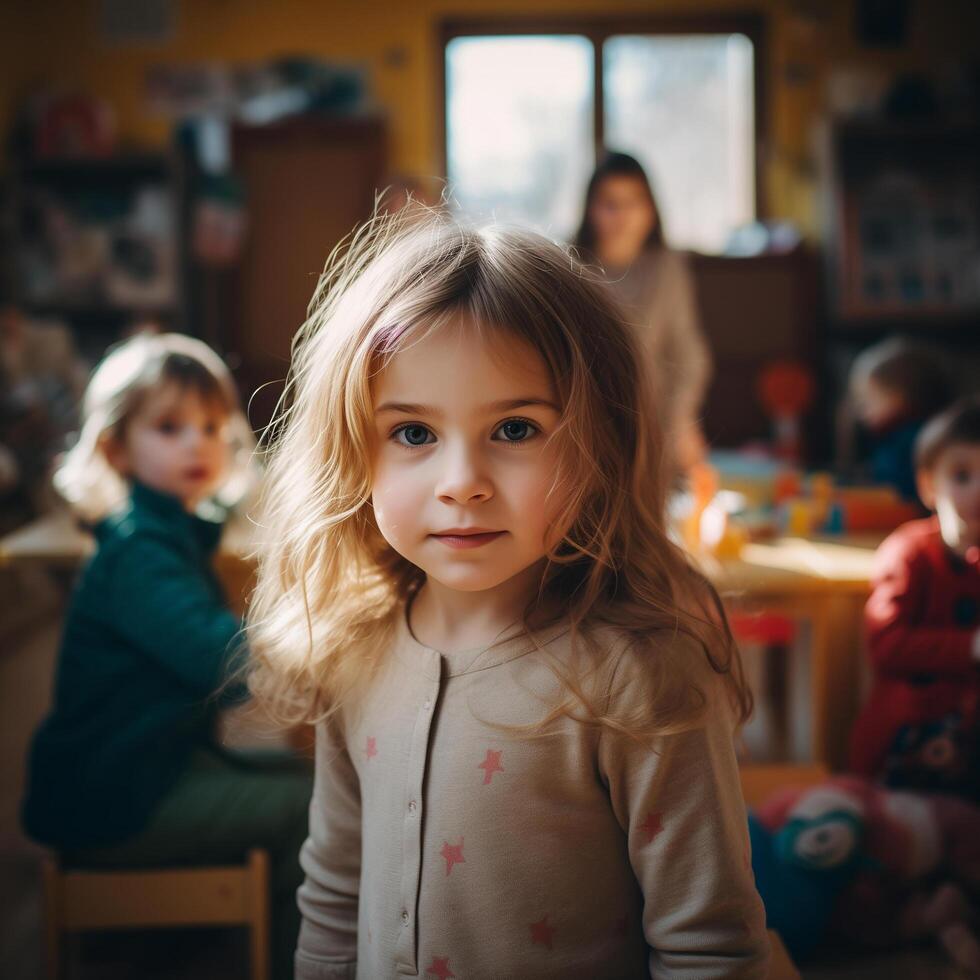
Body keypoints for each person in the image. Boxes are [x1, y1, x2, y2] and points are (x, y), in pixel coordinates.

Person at [247, 208, 770, 978]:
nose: (462, 485)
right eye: (414, 434)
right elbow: (333, 899)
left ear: (602, 441)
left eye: (516, 430)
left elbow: (708, 951)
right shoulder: (353, 648)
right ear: (353, 448)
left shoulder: (642, 679)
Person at [21, 332, 310, 980]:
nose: (196, 443)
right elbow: (223, 664)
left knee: (302, 784)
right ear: (115, 447)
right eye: (170, 426)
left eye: (210, 425)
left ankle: (226, 933)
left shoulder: (161, 533)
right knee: (313, 806)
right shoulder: (141, 551)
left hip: (132, 776)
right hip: (116, 799)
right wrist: (318, 645)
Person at [850, 396, 980, 798]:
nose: (979, 490)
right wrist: (970, 647)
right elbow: (885, 643)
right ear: (928, 485)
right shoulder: (908, 552)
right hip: (901, 751)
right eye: (961, 475)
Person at [574, 151, 712, 476]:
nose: (622, 216)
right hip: (584, 427)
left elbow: (690, 354)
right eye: (610, 204)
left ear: (650, 209)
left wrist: (682, 420)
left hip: (653, 426)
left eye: (633, 202)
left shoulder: (667, 268)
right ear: (590, 210)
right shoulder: (570, 265)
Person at [843, 336, 954, 502]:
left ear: (898, 398)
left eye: (868, 401)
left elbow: (902, 490)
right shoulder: (888, 436)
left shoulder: (913, 438)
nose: (861, 411)